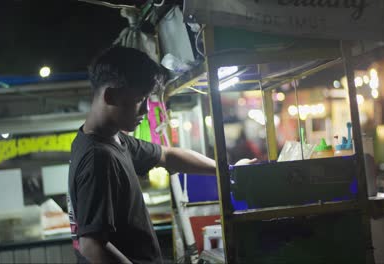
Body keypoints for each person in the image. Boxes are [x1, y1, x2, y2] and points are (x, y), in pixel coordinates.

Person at [68, 46, 256, 264]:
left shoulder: (111, 140)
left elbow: (168, 155)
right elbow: (92, 247)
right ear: (110, 96)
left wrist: (228, 171)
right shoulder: (98, 157)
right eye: (140, 99)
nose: (145, 110)